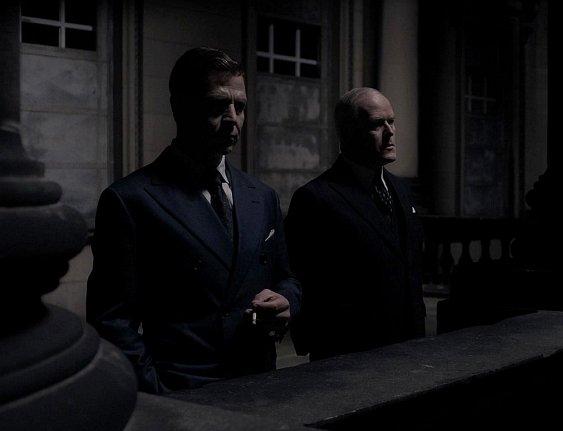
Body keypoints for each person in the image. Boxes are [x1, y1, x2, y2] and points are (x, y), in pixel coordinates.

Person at [86, 47, 300, 394]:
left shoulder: (262, 196)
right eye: (218, 106)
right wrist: (159, 389)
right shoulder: (130, 200)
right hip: (185, 392)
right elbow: (111, 321)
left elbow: (286, 277)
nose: (233, 119)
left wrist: (286, 301)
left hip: (261, 383)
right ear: (180, 108)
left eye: (240, 107)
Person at [285, 87, 426, 361]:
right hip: (350, 355)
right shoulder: (315, 198)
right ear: (347, 133)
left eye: (392, 121)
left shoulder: (401, 190)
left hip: (410, 348)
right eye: (377, 124)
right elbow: (301, 278)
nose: (390, 132)